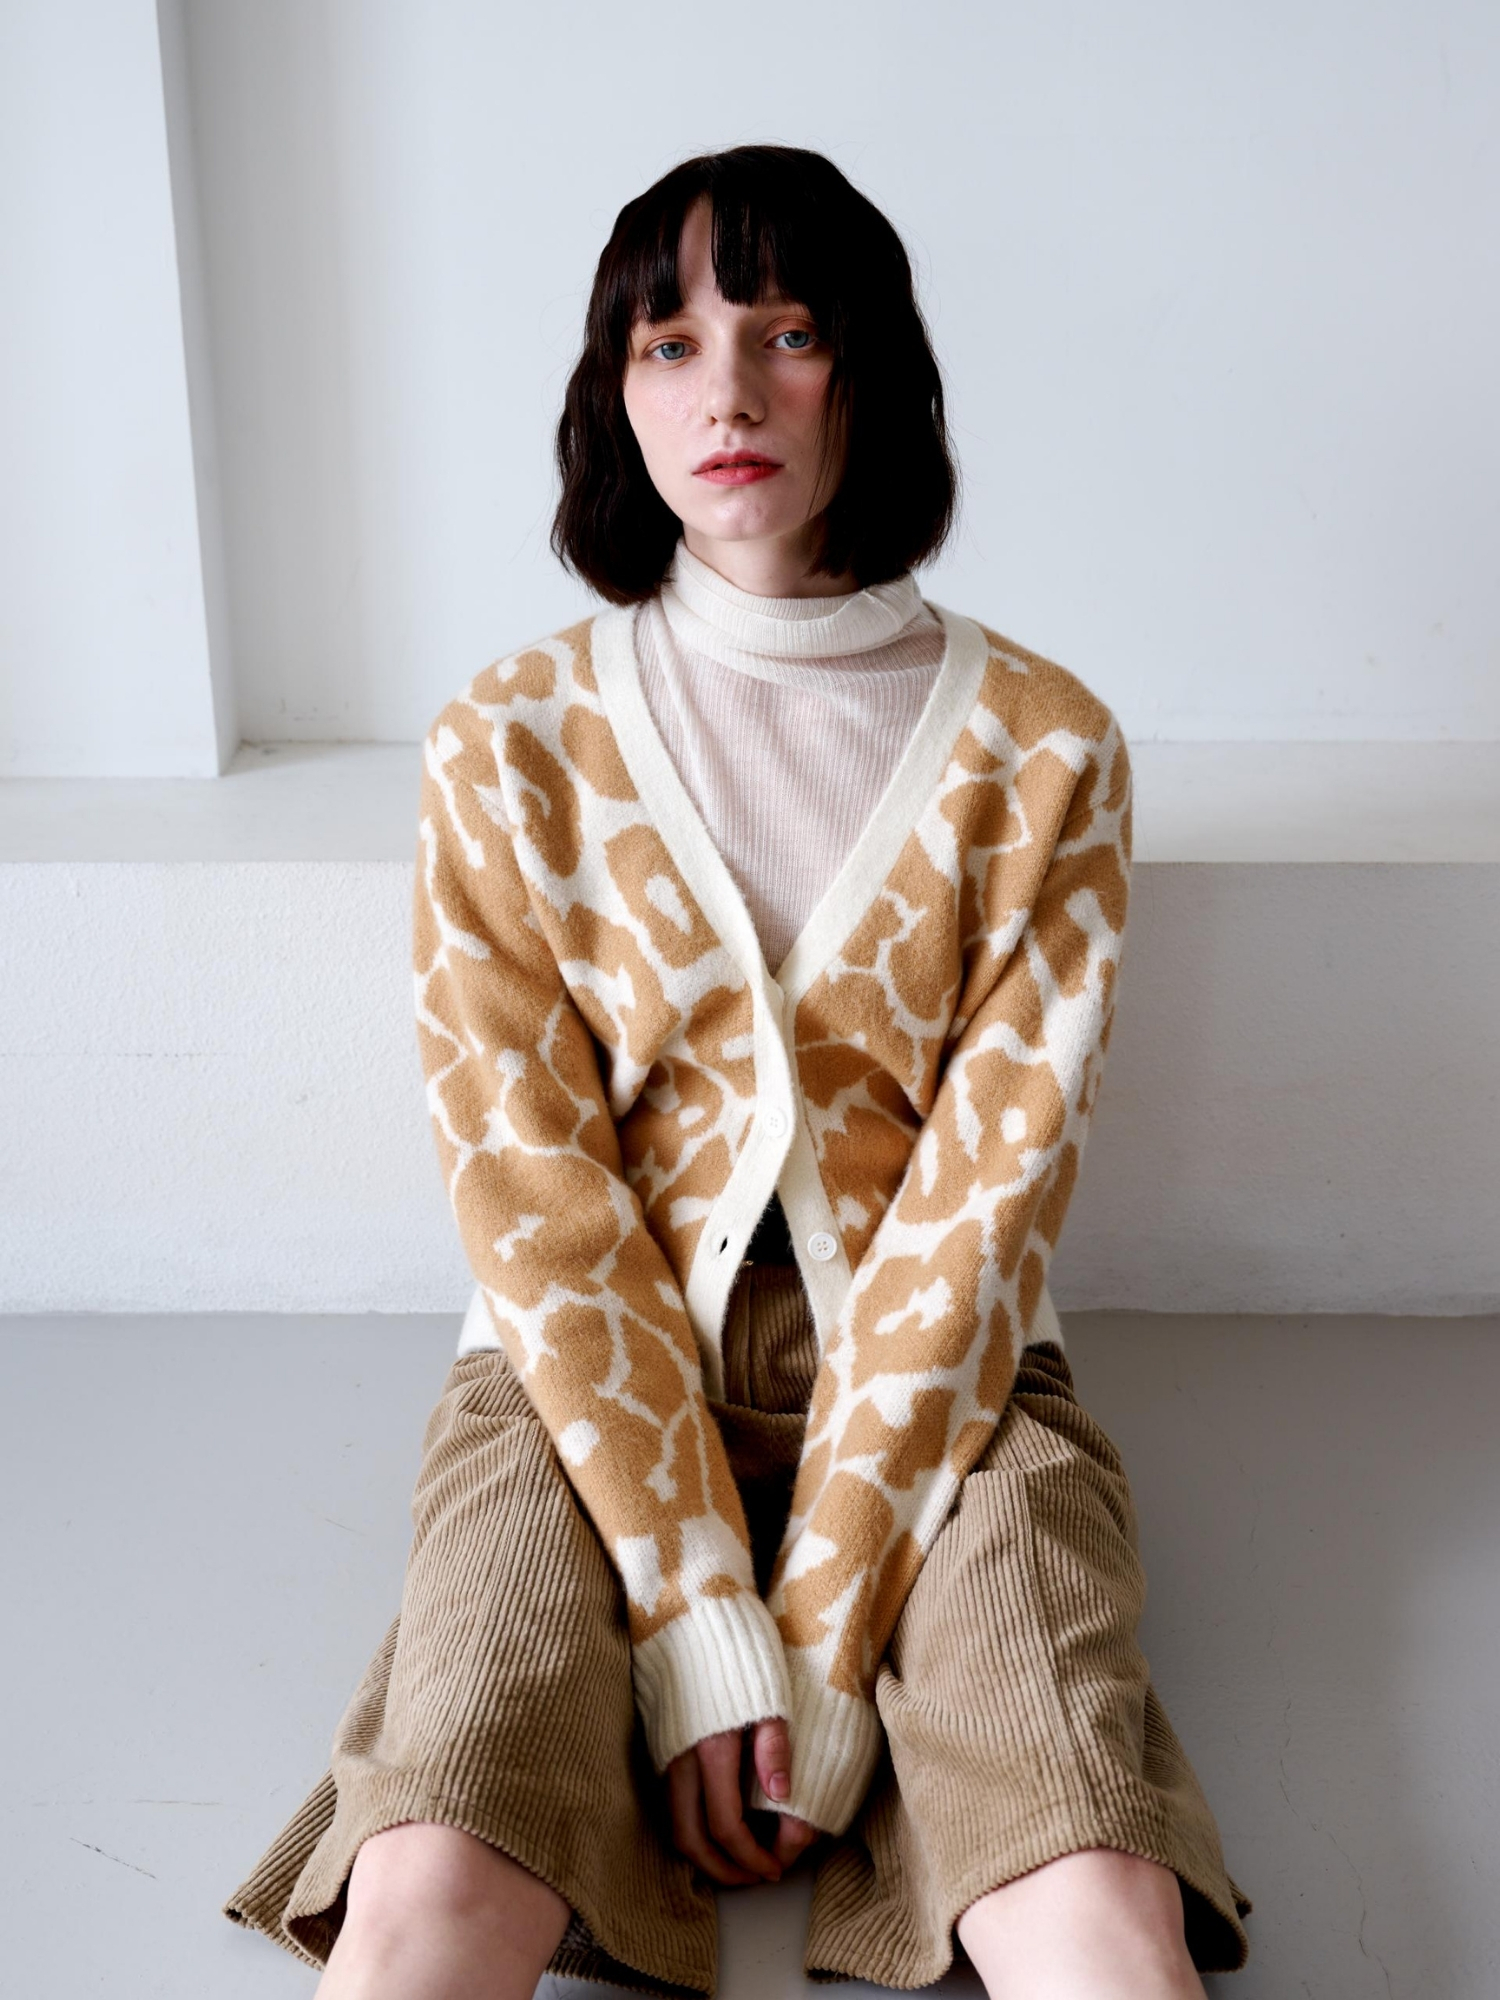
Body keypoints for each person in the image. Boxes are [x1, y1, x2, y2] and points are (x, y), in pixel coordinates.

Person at [222, 143, 1251, 1998]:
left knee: (1095, 1891)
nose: (728, 393)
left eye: (788, 333)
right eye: (670, 342)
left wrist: (827, 1626)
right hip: (571, 1382)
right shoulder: (510, 742)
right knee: (432, 1875)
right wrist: (697, 1614)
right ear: (616, 394)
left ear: (872, 372)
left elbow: (987, 1202)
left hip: (959, 1393)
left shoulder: (1047, 748)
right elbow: (535, 1195)